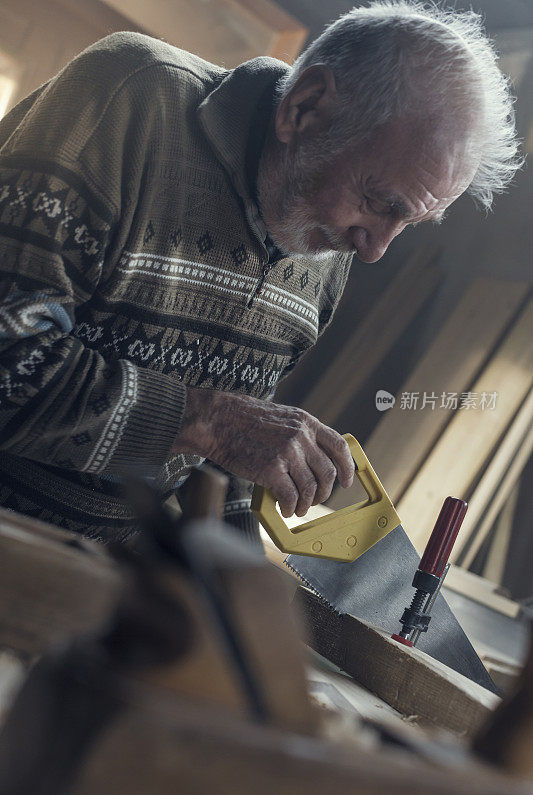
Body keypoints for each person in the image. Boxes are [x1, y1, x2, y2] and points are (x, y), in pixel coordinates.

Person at [0, 1, 521, 544]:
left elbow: (214, 462)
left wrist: (238, 571)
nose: (373, 251)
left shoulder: (327, 248)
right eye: (379, 202)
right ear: (304, 106)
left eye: (410, 222)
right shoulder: (130, 97)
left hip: (89, 574)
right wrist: (204, 421)